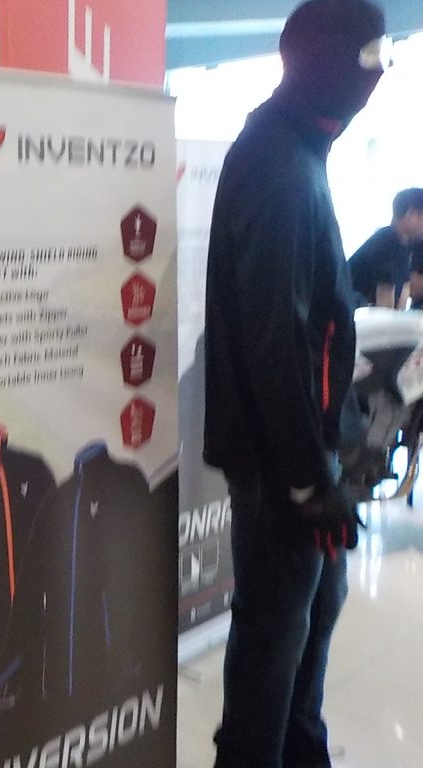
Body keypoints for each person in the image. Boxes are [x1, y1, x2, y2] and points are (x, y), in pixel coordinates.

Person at [203, 1, 387, 766]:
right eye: (369, 60)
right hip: (283, 466)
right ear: (322, 63)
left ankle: (302, 753)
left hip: (303, 452)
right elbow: (275, 337)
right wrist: (311, 482)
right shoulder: (277, 164)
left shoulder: (300, 150)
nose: (380, 76)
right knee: (274, 637)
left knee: (312, 611)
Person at [348, 188, 423, 308]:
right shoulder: (386, 242)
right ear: (411, 215)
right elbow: (384, 302)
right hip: (348, 311)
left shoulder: (405, 245)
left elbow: (403, 293)